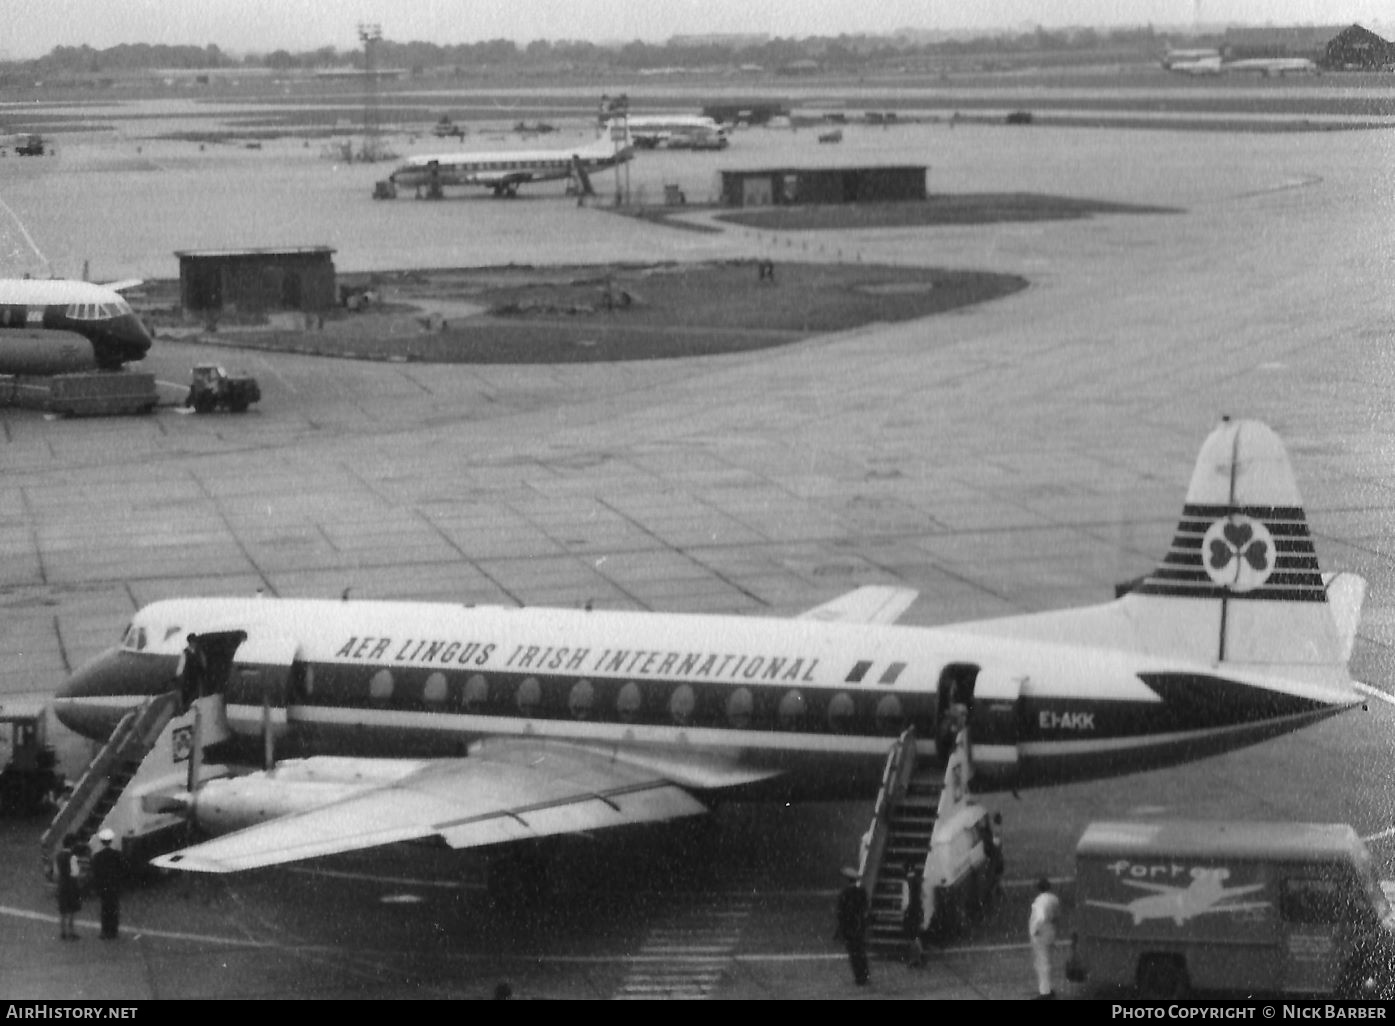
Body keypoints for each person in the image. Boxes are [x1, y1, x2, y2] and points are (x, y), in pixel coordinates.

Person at [834, 868, 870, 986]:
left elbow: (841, 913)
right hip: (859, 926)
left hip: (849, 927)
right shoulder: (862, 892)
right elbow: (864, 908)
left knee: (854, 954)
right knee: (861, 952)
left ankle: (859, 977)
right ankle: (864, 975)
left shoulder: (844, 894)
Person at [1028, 876, 1061, 999]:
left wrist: (1034, 930)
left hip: (1041, 933)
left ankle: (1044, 991)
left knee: (1042, 962)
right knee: (1047, 961)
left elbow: (1040, 917)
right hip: (1051, 930)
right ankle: (1047, 988)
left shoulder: (1039, 901)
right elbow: (1057, 915)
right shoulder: (1054, 899)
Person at [90, 829, 125, 940]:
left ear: (101, 841)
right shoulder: (117, 855)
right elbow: (122, 869)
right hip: (114, 885)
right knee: (114, 907)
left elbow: (95, 872)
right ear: (111, 840)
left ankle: (105, 931)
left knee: (105, 908)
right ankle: (114, 931)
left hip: (103, 885)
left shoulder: (97, 856)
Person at [55, 834, 81, 940]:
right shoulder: (72, 857)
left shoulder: (58, 856)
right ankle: (71, 932)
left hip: (62, 884)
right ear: (72, 844)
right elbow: (75, 872)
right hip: (71, 885)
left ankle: (63, 932)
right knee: (71, 909)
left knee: (63, 910)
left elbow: (56, 873)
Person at [903, 861, 927, 968]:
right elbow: (923, 896)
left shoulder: (907, 882)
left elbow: (906, 900)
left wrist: (904, 911)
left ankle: (916, 958)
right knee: (916, 934)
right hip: (917, 910)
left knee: (912, 935)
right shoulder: (918, 880)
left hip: (910, 911)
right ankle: (920, 956)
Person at [177, 633, 206, 707]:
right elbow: (181, 665)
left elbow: (203, 664)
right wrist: (179, 675)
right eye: (193, 642)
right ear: (190, 642)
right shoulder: (185, 652)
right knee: (186, 696)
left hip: (195, 678)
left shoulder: (199, 652)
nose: (194, 643)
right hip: (187, 678)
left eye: (195, 642)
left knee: (195, 696)